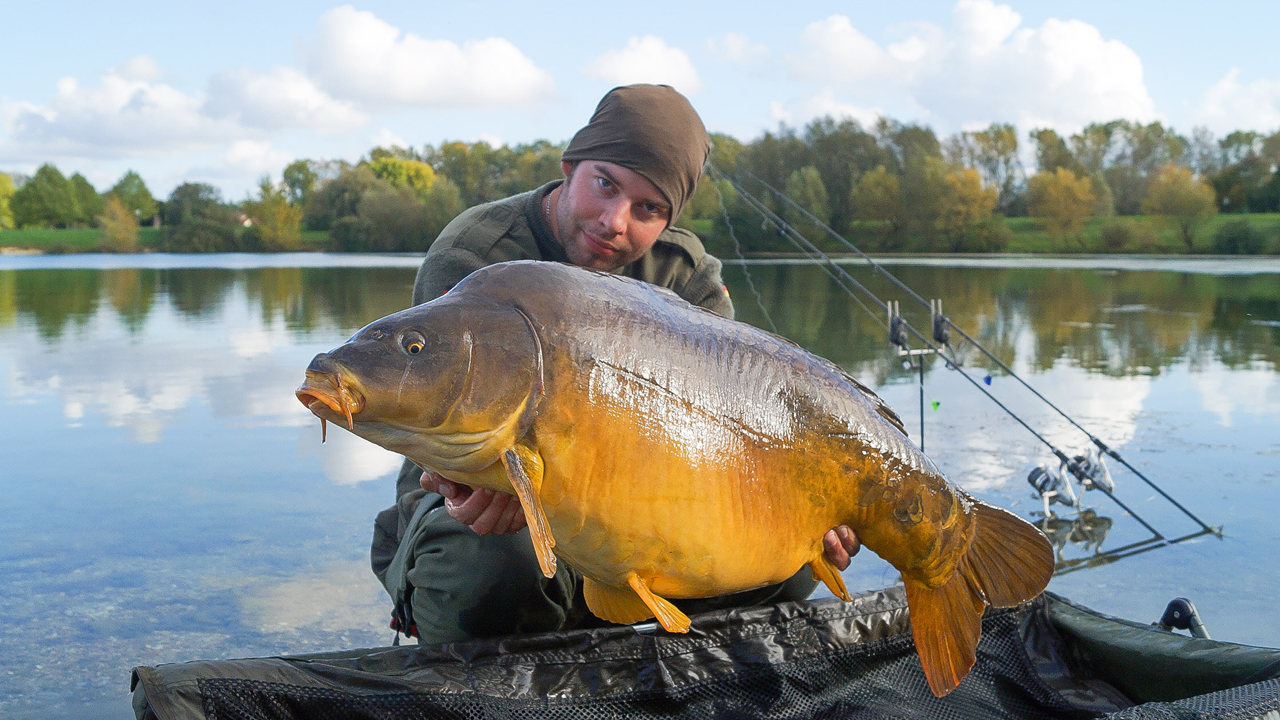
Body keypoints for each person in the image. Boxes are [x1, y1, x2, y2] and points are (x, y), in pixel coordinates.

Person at [371, 84, 860, 644]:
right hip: (477, 504)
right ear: (570, 166)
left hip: (643, 505)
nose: (614, 221)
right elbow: (430, 416)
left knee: (787, 564)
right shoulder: (477, 255)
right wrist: (463, 484)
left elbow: (737, 438)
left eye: (648, 209)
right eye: (605, 184)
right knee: (497, 565)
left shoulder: (686, 278)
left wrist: (814, 505)